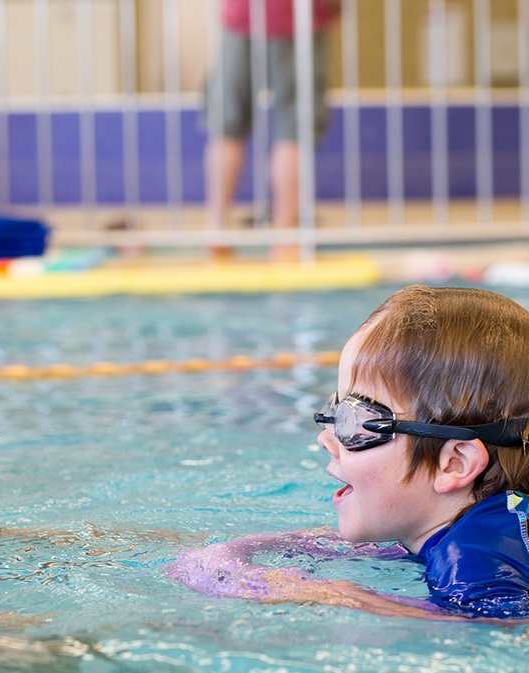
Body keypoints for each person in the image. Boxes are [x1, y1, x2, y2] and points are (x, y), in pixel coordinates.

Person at [169, 285, 529, 619]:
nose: (326, 439)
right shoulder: (496, 524)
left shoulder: (473, 562)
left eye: (358, 421)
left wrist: (336, 596)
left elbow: (501, 630)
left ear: (454, 463)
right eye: (335, 411)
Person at [204, 0, 339, 254]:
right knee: (294, 129)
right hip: (299, 17)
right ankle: (285, 234)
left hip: (242, 14)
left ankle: (217, 227)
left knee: (227, 125)